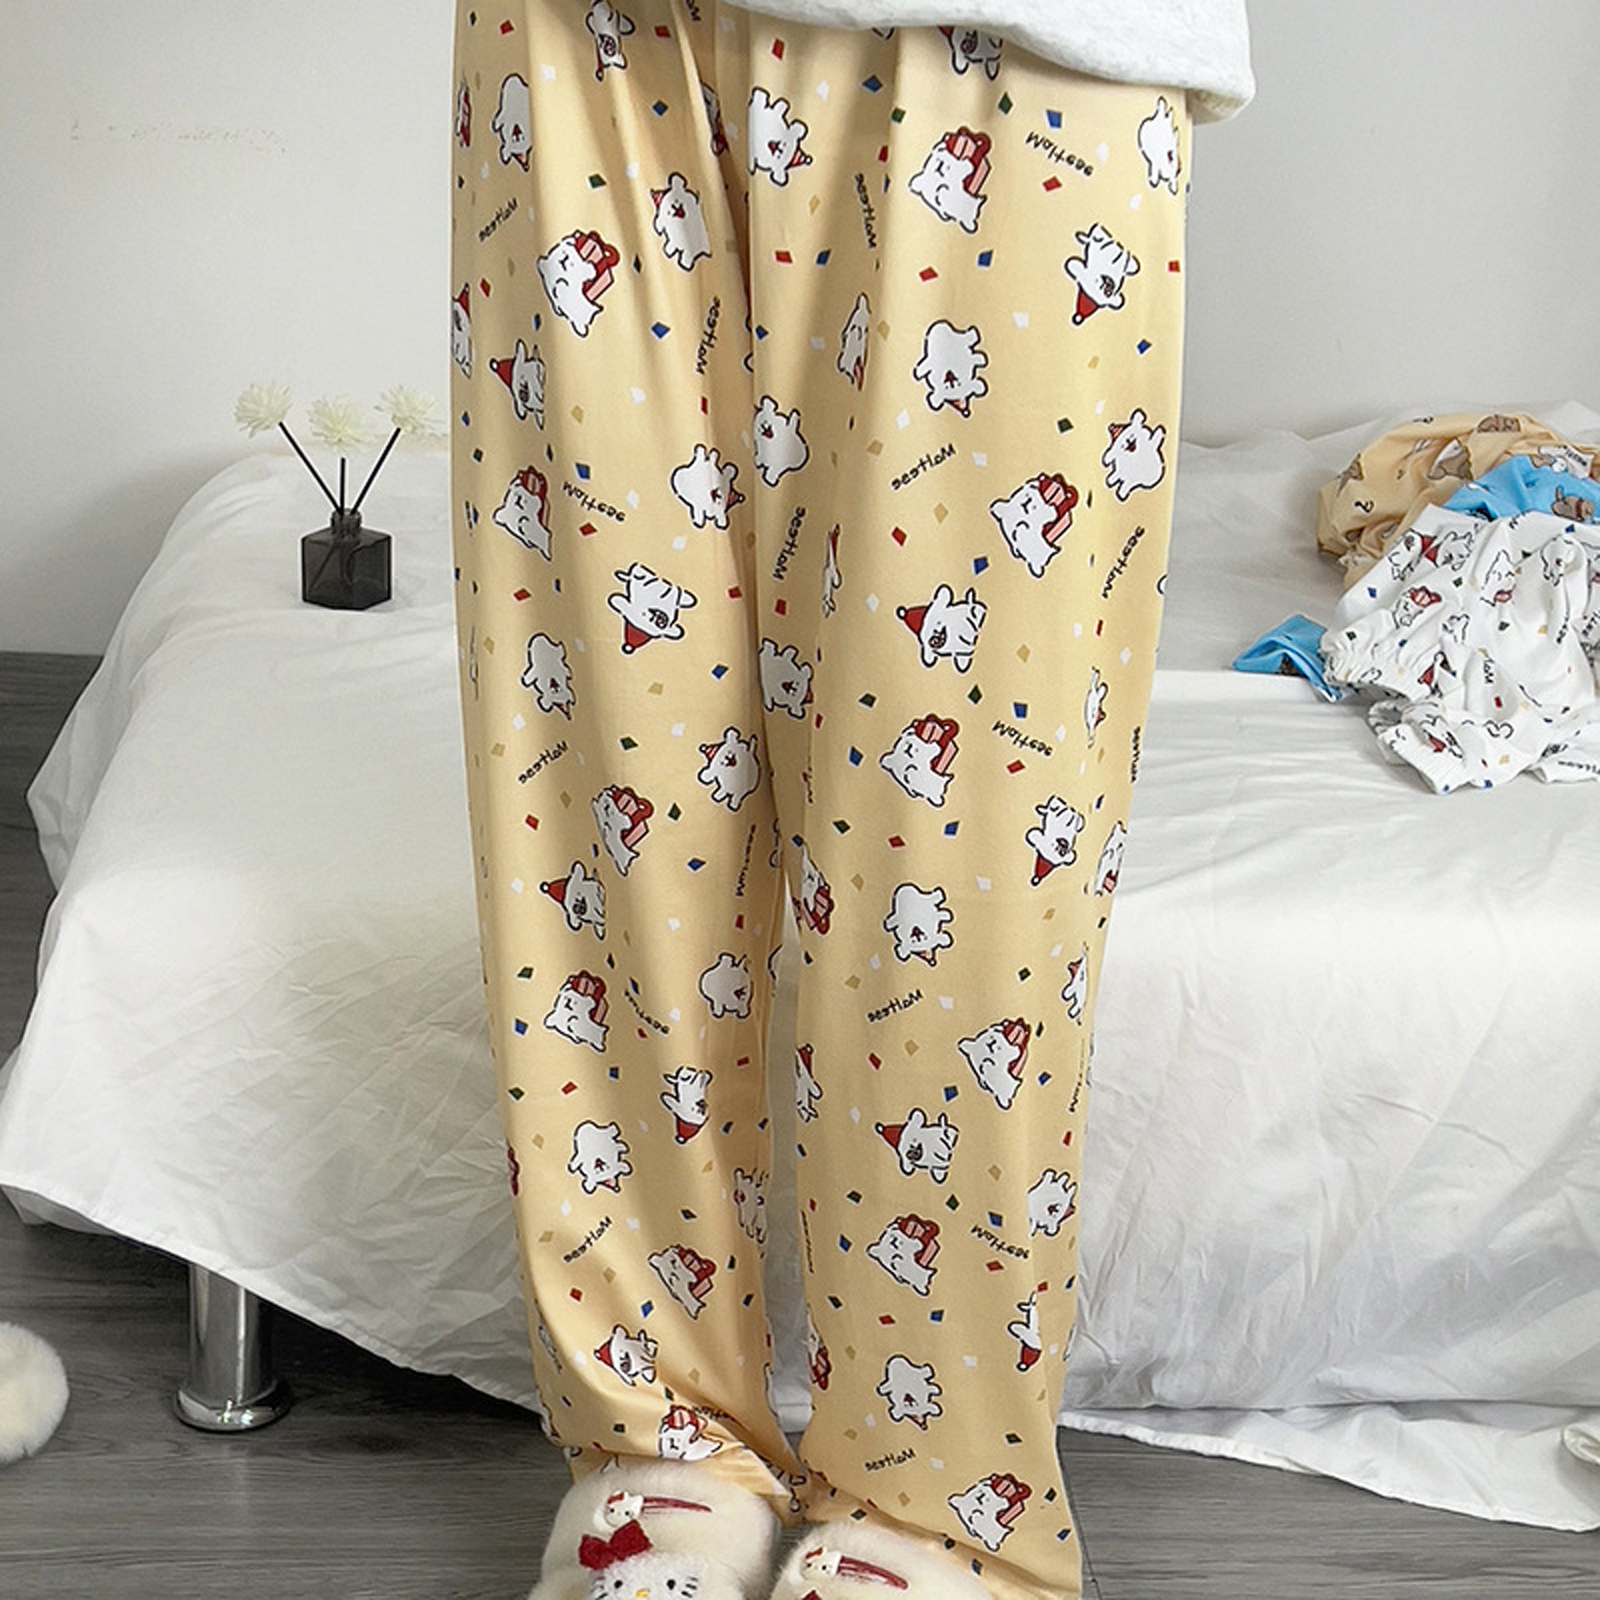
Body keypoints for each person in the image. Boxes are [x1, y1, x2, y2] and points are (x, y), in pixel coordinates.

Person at [449, 3, 1252, 1596]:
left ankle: (930, 1503)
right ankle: (661, 1446)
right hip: (585, 29)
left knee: (958, 811)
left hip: (1017, 41)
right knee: (607, 742)